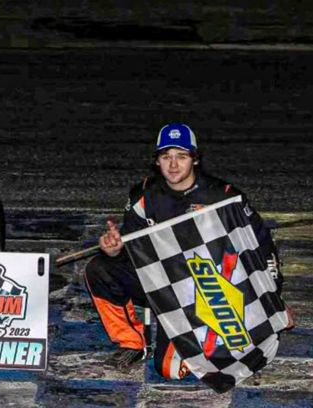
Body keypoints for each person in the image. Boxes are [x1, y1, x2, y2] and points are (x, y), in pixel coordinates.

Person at [83, 123, 285, 377]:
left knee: (168, 370)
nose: (173, 165)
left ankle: (207, 332)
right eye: (166, 157)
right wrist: (115, 251)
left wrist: (274, 299)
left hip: (209, 290)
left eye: (181, 156)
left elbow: (263, 247)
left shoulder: (224, 197)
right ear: (156, 161)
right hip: (162, 286)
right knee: (99, 268)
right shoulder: (142, 196)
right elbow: (133, 251)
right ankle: (132, 342)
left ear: (195, 159)